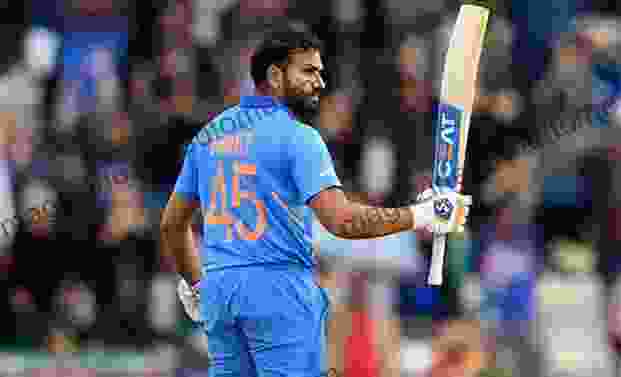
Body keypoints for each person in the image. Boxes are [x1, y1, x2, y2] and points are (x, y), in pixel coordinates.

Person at [159, 23, 472, 377]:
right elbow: (343, 222)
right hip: (280, 298)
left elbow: (173, 224)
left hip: (221, 297)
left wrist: (197, 284)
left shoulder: (208, 136)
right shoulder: (298, 138)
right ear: (275, 75)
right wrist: (421, 215)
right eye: (307, 72)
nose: (319, 83)